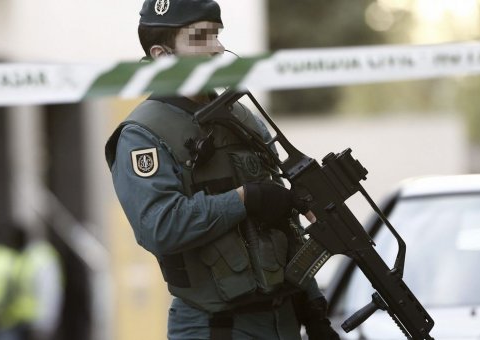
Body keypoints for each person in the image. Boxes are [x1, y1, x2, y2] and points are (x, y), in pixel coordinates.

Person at [105, 1, 341, 339]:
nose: (217, 48)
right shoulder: (144, 133)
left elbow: (284, 228)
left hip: (283, 319)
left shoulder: (244, 120)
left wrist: (313, 308)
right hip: (215, 326)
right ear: (162, 55)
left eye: (216, 35)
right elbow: (158, 226)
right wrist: (245, 198)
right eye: (200, 38)